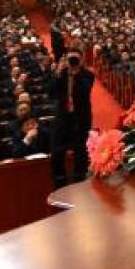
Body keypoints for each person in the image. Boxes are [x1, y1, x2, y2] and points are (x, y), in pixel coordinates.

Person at [50, 49, 94, 187]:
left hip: (80, 117)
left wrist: (77, 75)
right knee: (57, 150)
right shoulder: (60, 73)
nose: (73, 62)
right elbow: (51, 92)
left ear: (81, 61)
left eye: (76, 59)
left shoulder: (87, 75)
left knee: (80, 151)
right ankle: (59, 181)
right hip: (63, 117)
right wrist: (58, 73)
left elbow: (86, 90)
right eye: (71, 59)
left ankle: (80, 182)